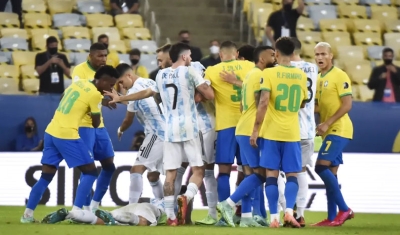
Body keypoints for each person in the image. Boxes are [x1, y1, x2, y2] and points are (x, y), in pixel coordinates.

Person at [104, 42, 215, 226]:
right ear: (185, 57)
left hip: (169, 129)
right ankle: (185, 198)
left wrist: (122, 97)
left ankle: (171, 216)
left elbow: (146, 93)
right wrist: (205, 86)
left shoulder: (160, 75)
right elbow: (208, 95)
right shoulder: (190, 71)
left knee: (170, 175)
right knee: (198, 170)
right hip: (189, 126)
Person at [20, 66, 117, 223]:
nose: (111, 88)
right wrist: (97, 106)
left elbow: (62, 99)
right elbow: (95, 123)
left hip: (51, 131)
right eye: (111, 85)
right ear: (103, 80)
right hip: (67, 134)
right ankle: (77, 211)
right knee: (91, 172)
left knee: (46, 176)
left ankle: (27, 215)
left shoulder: (79, 83)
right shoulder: (95, 95)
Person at [217, 46, 276, 228]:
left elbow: (243, 105)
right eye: (272, 54)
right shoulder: (260, 76)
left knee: (249, 173)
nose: (275, 56)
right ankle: (228, 204)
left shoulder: (251, 74)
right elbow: (261, 104)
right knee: (261, 174)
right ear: (262, 58)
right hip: (251, 130)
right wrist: (258, 128)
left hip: (243, 127)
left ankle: (247, 217)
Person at [251, 37, 307, 228]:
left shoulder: (269, 74)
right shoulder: (301, 76)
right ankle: (290, 212)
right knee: (292, 175)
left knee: (271, 175)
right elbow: (302, 102)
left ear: (276, 52)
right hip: (292, 133)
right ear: (292, 53)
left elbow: (264, 102)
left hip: (271, 132)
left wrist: (255, 130)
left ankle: (274, 216)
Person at [204, 41, 254, 227]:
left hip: (225, 126)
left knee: (223, 172)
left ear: (220, 55)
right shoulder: (250, 66)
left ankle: (225, 217)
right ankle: (246, 216)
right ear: (237, 53)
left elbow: (204, 93)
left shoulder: (212, 70)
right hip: (246, 125)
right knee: (248, 172)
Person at [313, 42, 354, 227]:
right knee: (331, 174)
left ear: (331, 56)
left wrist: (327, 122)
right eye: (316, 54)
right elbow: (321, 106)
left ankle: (344, 209)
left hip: (339, 129)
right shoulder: (319, 77)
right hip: (328, 131)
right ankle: (331, 218)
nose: (319, 57)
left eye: (323, 54)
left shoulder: (340, 75)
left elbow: (347, 104)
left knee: (321, 167)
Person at [72, 45, 118, 212]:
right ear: (90, 55)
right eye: (100, 56)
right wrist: (103, 101)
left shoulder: (105, 72)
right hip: (84, 125)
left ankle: (94, 205)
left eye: (105, 55)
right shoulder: (80, 70)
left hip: (99, 125)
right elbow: (79, 91)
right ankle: (83, 207)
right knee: (88, 167)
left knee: (109, 165)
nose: (103, 59)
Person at [115, 63, 165, 203]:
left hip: (156, 134)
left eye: (121, 82)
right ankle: (163, 206)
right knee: (153, 176)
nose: (122, 86)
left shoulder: (132, 93)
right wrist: (121, 98)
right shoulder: (149, 82)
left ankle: (131, 209)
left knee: (136, 170)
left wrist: (120, 130)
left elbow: (128, 120)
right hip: (168, 133)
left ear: (129, 75)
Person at [289, 37, 318, 227]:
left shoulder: (285, 69)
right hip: (308, 128)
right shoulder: (313, 68)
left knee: (285, 174)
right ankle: (300, 214)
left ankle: (286, 212)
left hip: (288, 128)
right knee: (301, 172)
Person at [41, 201, 166, 226]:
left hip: (133, 206)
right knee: (142, 222)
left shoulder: (160, 198)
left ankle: (69, 214)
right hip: (152, 210)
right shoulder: (172, 203)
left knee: (99, 220)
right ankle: (113, 217)